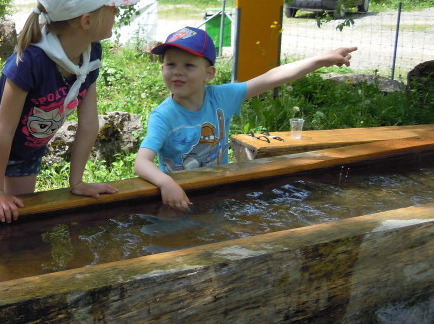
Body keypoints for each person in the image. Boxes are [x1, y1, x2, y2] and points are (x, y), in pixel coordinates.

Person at [0, 0, 142, 222]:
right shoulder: (30, 62)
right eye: (112, 6)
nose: (117, 11)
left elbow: (88, 124)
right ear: (87, 20)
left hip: (26, 152)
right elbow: (4, 130)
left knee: (19, 219)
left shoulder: (91, 54)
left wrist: (77, 182)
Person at [134, 26, 356, 210]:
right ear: (162, 68)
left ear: (208, 74)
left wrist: (322, 59)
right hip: (175, 200)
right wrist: (166, 183)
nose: (177, 71)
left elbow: (273, 77)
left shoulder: (222, 98)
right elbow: (141, 162)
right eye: (171, 64)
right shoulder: (163, 116)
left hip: (215, 194)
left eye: (188, 65)